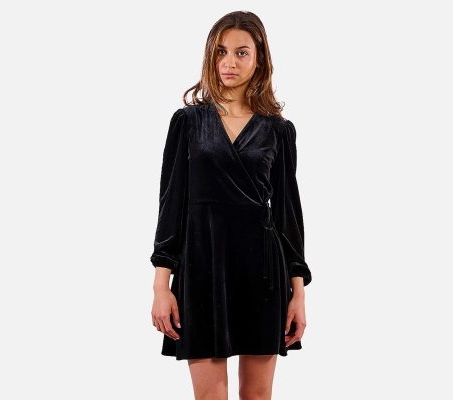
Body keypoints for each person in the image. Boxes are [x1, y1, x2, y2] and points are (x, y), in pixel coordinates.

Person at [150, 10, 312, 399]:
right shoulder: (188, 122)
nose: (229, 62)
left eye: (242, 53)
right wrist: (161, 284)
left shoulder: (278, 130)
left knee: (256, 396)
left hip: (262, 272)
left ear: (259, 59)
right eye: (221, 51)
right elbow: (171, 205)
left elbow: (288, 213)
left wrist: (299, 293)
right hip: (201, 267)